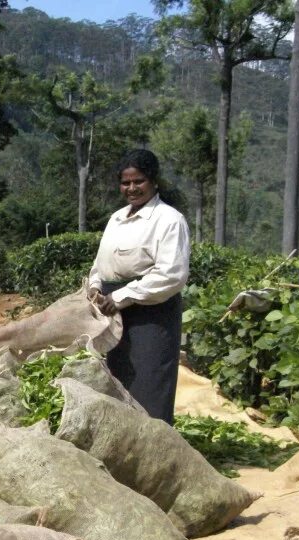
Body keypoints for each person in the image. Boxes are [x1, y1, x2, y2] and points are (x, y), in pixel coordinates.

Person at [87, 149, 191, 424]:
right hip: (114, 313)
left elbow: (171, 274)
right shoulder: (117, 219)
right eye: (125, 182)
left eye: (139, 181)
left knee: (149, 382)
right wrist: (96, 287)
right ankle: (126, 447)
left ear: (154, 181)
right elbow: (101, 263)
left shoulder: (168, 220)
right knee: (118, 379)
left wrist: (123, 296)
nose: (131, 188)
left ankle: (155, 453)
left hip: (150, 314)